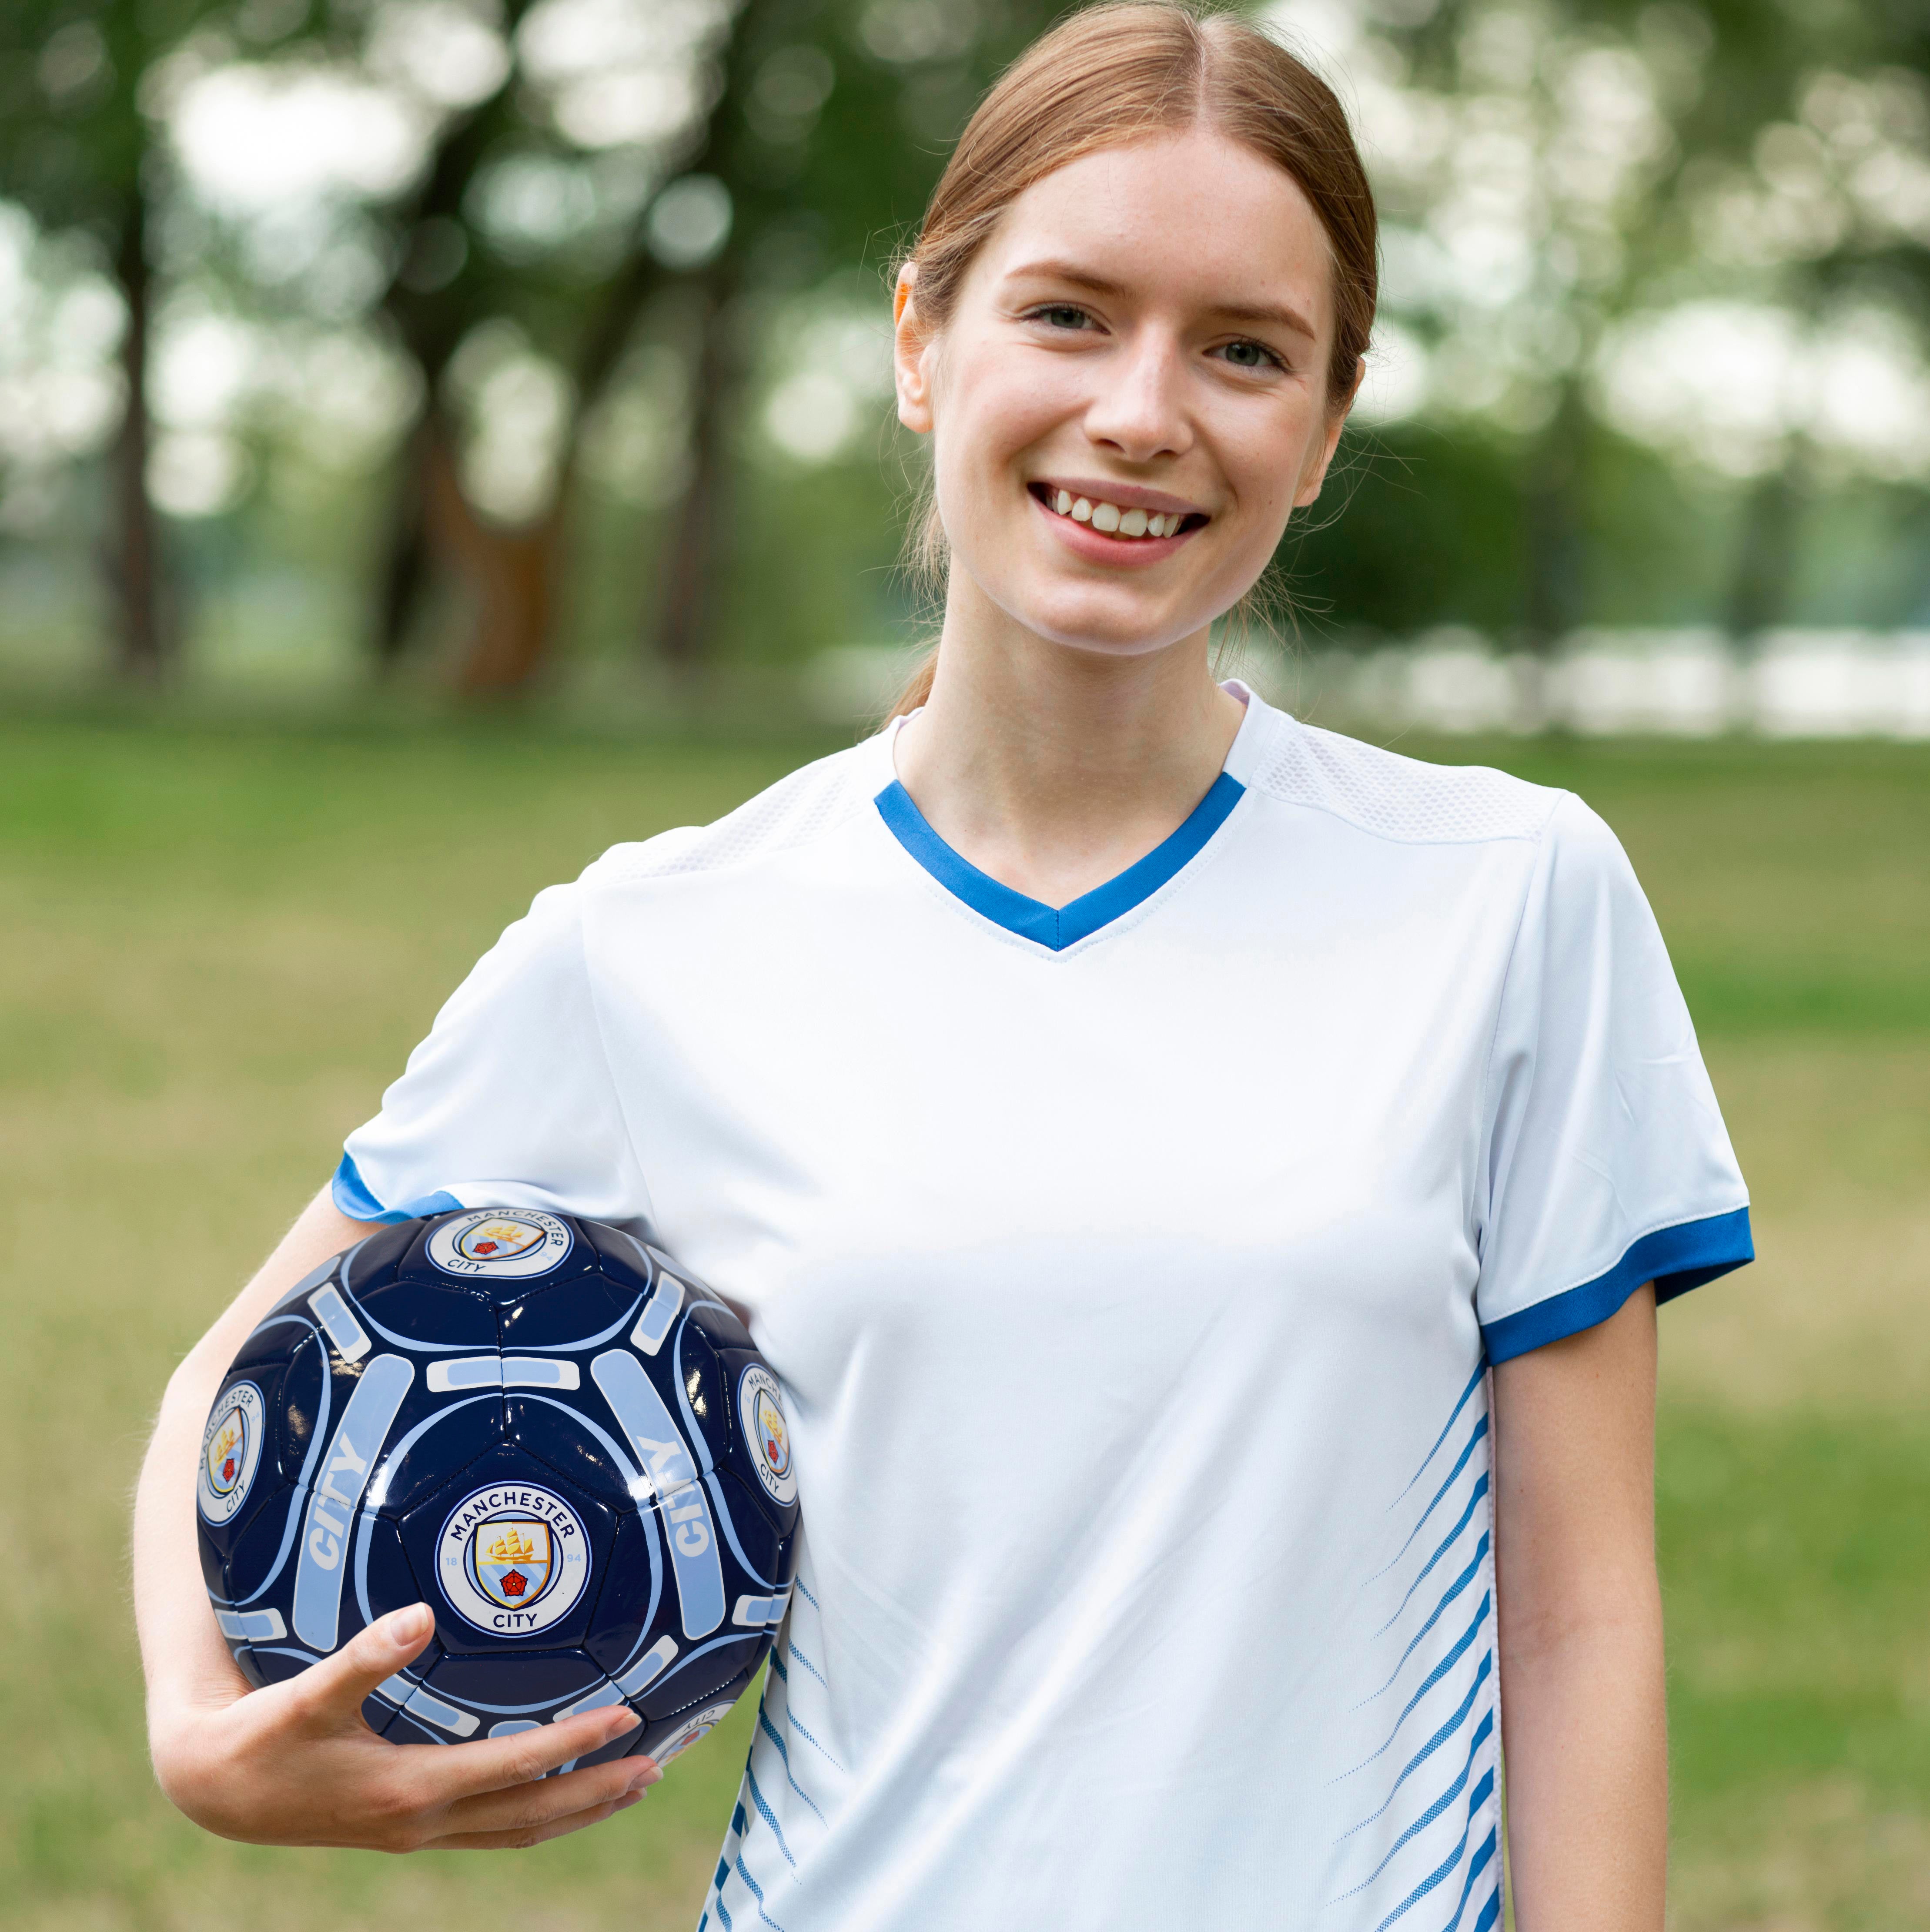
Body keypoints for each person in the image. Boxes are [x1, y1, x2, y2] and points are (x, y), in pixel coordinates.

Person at [134, 5, 1754, 1925]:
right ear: (923, 341)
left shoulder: (1507, 895)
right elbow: (229, 1383)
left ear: (1321, 430)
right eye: (1070, 314)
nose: (1145, 409)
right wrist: (196, 1724)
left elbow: (1578, 1620)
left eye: (1245, 350)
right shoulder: (654, 946)